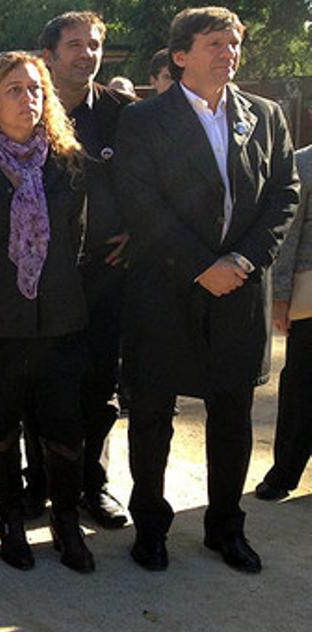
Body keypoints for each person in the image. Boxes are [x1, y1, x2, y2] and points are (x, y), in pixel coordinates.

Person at [115, 6, 299, 574]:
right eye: (215, 43)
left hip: (238, 291)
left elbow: (284, 194)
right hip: (165, 290)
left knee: (232, 416)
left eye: (234, 42)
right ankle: (150, 525)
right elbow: (142, 204)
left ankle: (225, 527)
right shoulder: (145, 121)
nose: (229, 53)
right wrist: (201, 265)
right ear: (180, 55)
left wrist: (242, 260)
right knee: (151, 415)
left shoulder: (264, 116)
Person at [0, 51, 93, 573]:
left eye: (35, 89)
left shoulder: (70, 162)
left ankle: (66, 521)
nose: (27, 98)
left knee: (62, 428)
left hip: (59, 318)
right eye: (13, 89)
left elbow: (81, 240)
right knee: (1, 425)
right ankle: (9, 519)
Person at [39, 10, 133, 530]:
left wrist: (141, 233)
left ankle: (91, 486)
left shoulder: (126, 113)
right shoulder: (25, 106)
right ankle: (40, 483)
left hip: (106, 277)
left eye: (93, 44)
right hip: (39, 279)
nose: (86, 54)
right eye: (74, 45)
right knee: (42, 383)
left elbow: (158, 186)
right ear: (49, 56)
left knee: (99, 388)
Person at [257, 144, 312, 501]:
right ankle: (284, 473)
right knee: (302, 386)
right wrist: (279, 294)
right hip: (311, 300)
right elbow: (288, 234)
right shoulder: (304, 163)